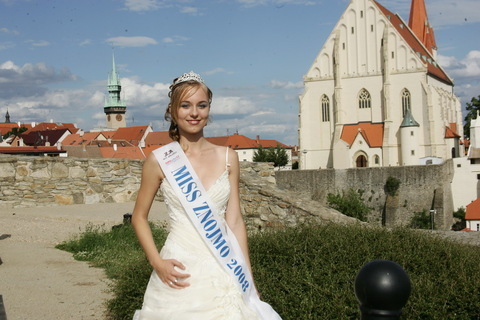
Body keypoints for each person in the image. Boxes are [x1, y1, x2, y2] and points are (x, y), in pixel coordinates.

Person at [132, 72, 265, 319]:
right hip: (178, 271)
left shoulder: (229, 157)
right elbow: (138, 217)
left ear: (208, 110)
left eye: (201, 105)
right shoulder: (159, 161)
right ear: (172, 111)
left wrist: (249, 281)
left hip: (224, 269)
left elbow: (234, 221)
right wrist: (156, 262)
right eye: (185, 105)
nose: (194, 113)